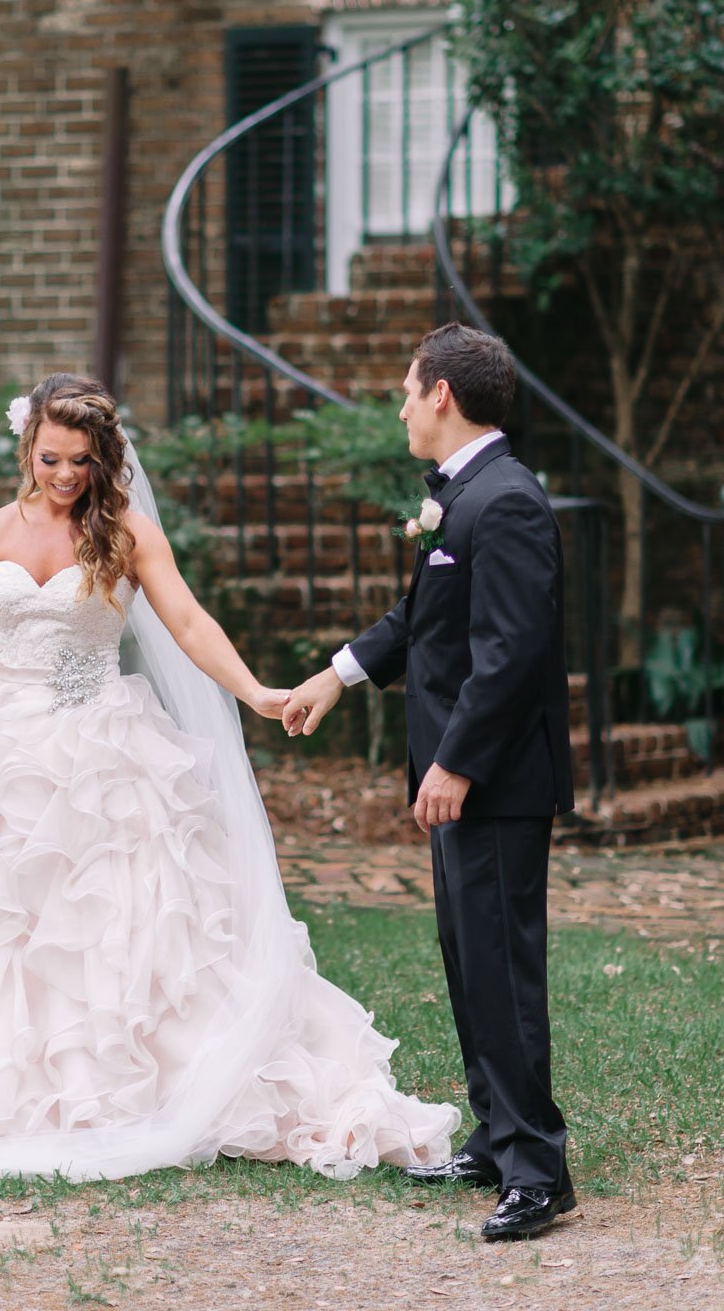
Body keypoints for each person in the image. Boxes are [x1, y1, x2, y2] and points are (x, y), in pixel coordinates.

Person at [0, 373, 458, 1184]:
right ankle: (14, 1093)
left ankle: (146, 1084)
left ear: (104, 459)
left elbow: (189, 621)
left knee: (125, 923)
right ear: (27, 448)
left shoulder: (123, 529)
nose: (65, 476)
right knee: (8, 930)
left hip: (102, 750)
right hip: (9, 755)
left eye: (82, 462)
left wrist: (256, 693)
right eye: (52, 459)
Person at [283, 324, 576, 1242]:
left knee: (502, 971)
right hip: (462, 778)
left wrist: (455, 762)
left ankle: (538, 1171)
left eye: (408, 391)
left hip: (491, 779)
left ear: (442, 395)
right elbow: (424, 618)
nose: (402, 407)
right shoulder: (464, 499)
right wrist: (336, 674)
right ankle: (496, 1138)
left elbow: (512, 657)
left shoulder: (508, 502)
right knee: (468, 964)